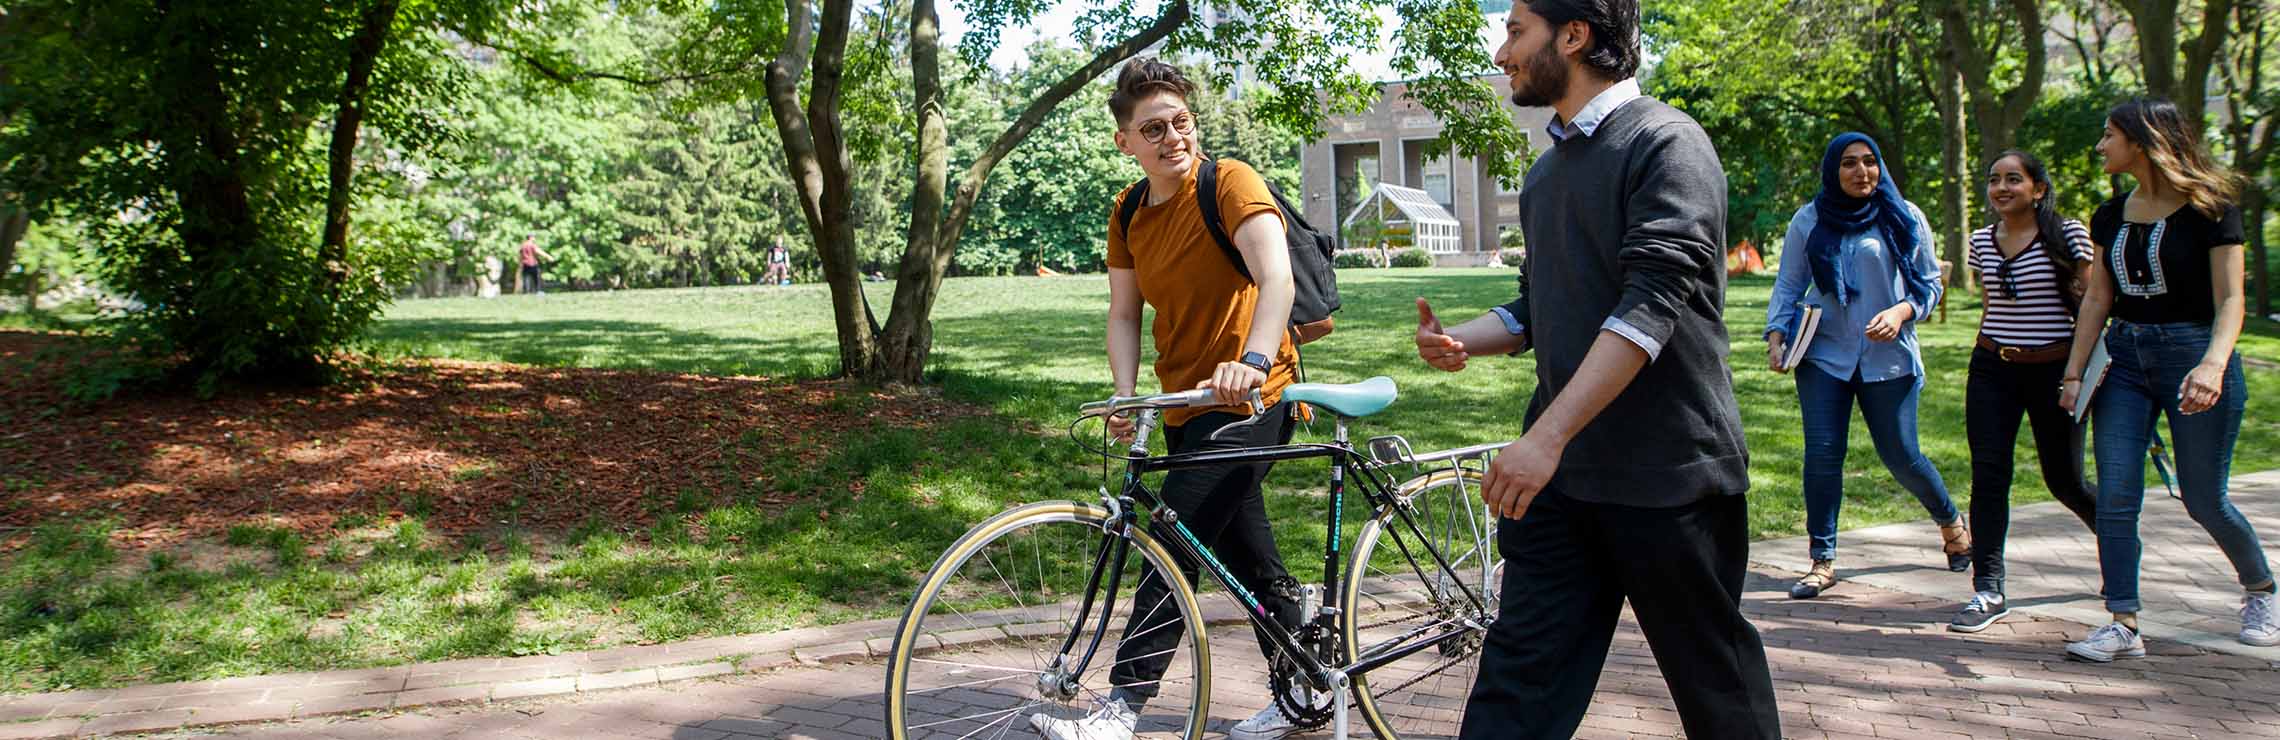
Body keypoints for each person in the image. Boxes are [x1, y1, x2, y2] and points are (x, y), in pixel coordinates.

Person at [1413, 0, 1779, 736]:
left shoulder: (1667, 143)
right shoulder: (1548, 171)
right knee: (1516, 686)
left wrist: (1544, 437)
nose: (1501, 52)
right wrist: (1464, 338)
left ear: (1573, 35)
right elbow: (1537, 305)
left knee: (1718, 693)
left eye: (1517, 31)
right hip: (1562, 485)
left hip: (1668, 476)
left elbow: (1648, 309)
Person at [1026, 57, 1312, 740]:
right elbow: (1124, 314)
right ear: (1125, 142)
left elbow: (1277, 279)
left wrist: (1252, 360)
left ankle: (1122, 707)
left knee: (1170, 545)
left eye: (1181, 122)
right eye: (1153, 128)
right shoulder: (1128, 211)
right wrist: (1128, 396)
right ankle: (1307, 688)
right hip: (1185, 402)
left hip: (1253, 400)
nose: (1173, 137)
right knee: (1246, 557)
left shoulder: (1230, 182)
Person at [2060, 97, 2277, 660]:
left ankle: (2261, 590)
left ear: (2142, 140)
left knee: (2203, 499)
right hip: (2125, 361)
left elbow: (2232, 299)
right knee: (2115, 496)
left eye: (2109, 135)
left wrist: (2212, 363)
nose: (2101, 146)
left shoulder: (2212, 207)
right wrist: (2075, 372)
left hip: (2193, 355)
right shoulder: (2109, 215)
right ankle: (2123, 622)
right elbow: (2099, 299)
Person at [1764, 132, 1969, 599]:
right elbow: (1790, 283)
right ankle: (1822, 559)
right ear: (1833, 170)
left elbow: (1930, 284)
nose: (1862, 172)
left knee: (1901, 453)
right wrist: (1776, 335)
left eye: (1870, 162)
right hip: (1823, 355)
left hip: (1888, 359)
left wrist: (1901, 313)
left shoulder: (1904, 215)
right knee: (1822, 453)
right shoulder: (1809, 219)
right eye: (1850, 164)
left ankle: (1950, 520)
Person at [1950, 150, 2101, 633]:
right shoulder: (1981, 242)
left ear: (2038, 188)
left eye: (2014, 179)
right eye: (1994, 179)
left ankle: (2117, 544)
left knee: (2065, 480)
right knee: (1989, 475)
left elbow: (2094, 304)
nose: (2001, 188)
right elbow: (1993, 304)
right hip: (1993, 368)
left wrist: (2078, 374)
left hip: (2054, 370)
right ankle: (1987, 588)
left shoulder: (2068, 235)